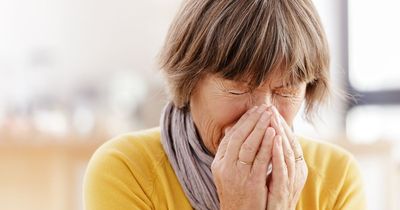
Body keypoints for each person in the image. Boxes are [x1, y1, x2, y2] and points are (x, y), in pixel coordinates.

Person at [83, 0, 367, 209]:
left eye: (285, 90)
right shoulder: (126, 170)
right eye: (238, 89)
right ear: (189, 81)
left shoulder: (336, 178)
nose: (264, 114)